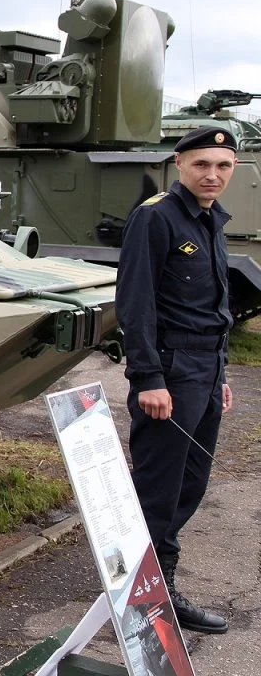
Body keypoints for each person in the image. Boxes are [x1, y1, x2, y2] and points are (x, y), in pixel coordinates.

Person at [116, 124, 237, 635]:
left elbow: (214, 306)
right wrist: (148, 377)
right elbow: (136, 302)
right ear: (179, 163)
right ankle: (146, 599)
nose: (212, 175)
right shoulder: (156, 218)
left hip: (205, 373)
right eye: (202, 164)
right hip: (171, 373)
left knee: (189, 485)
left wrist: (221, 373)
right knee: (159, 488)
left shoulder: (210, 221)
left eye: (223, 166)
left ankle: (149, 587)